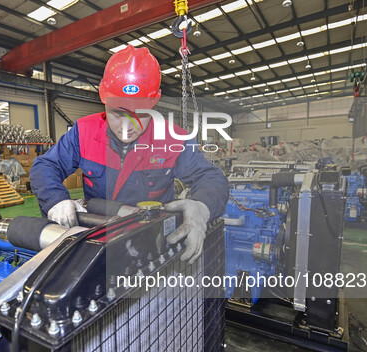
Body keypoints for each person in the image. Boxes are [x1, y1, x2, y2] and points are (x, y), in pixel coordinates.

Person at [30, 45, 229, 262]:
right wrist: (56, 200)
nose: (127, 126)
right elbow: (46, 166)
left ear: (154, 102)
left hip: (151, 247)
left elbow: (211, 177)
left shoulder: (174, 140)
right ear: (103, 99)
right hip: (96, 243)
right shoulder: (83, 132)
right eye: (118, 113)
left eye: (140, 114)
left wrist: (202, 206)